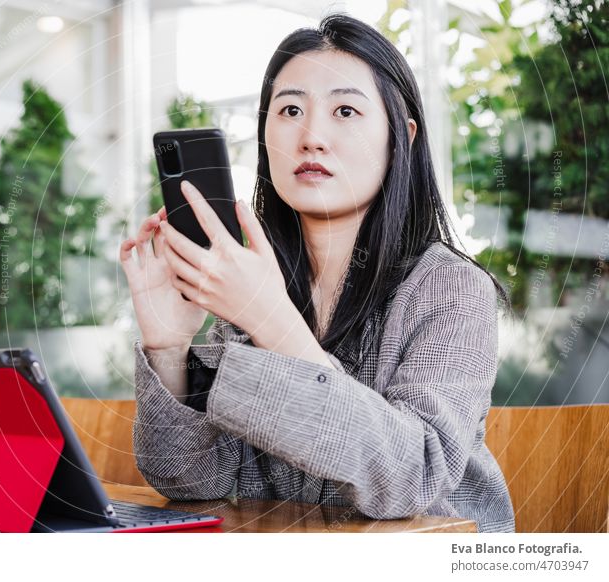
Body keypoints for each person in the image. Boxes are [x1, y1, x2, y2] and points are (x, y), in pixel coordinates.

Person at [118, 13, 515, 533]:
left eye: (345, 110)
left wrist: (271, 319)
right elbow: (192, 480)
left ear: (403, 135)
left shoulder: (450, 288)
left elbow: (412, 480)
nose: (311, 137)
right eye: (289, 110)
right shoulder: (258, 280)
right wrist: (168, 346)